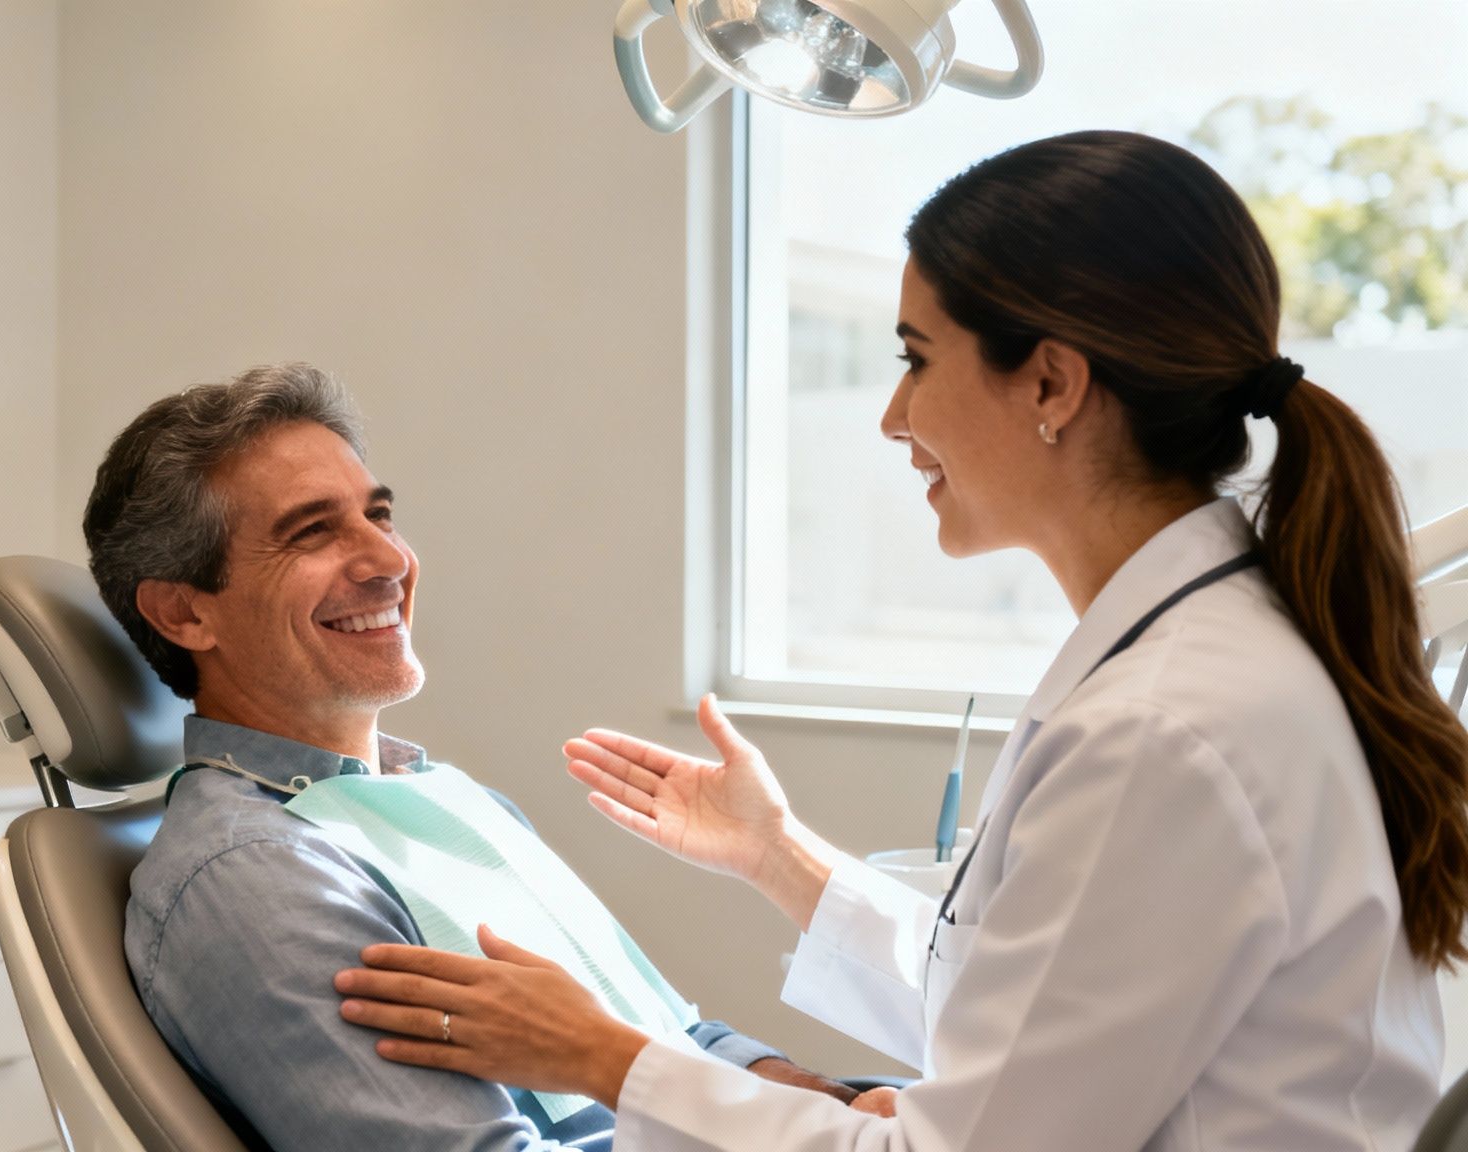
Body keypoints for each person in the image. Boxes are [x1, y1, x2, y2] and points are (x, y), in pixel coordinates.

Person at [335, 130, 1468, 1151]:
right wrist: (774, 855)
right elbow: (1028, 1019)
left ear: (1050, 381)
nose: (892, 417)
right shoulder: (1206, 651)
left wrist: (600, 1056)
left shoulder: (1163, 728)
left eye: (915, 358)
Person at [85, 364, 879, 1152]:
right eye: (313, 531)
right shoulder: (253, 876)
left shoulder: (447, 800)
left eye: (380, 514)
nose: (389, 560)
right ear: (185, 611)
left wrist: (837, 1105)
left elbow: (677, 1034)